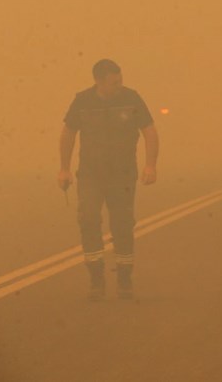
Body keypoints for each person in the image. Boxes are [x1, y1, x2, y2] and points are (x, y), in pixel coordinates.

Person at [58, 59, 159, 300]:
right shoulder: (82, 101)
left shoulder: (131, 99)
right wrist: (64, 169)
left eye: (120, 80)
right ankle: (96, 277)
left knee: (122, 225)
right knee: (89, 219)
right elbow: (68, 134)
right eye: (115, 82)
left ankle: (124, 278)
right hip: (90, 175)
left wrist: (150, 165)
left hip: (122, 175)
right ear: (99, 81)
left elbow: (150, 132)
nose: (119, 86)